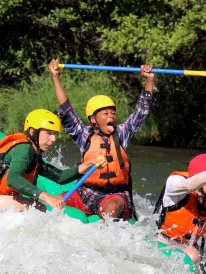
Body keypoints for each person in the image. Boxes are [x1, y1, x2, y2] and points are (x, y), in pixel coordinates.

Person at [48, 58, 154, 220]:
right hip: (85, 192)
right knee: (53, 202)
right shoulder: (83, 135)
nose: (111, 116)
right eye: (105, 114)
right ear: (93, 119)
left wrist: (149, 80)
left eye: (113, 113)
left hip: (115, 195)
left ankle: (107, 236)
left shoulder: (122, 134)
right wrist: (55, 77)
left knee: (112, 208)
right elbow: (66, 109)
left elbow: (141, 112)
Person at [0, 109, 105, 212]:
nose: (53, 139)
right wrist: (47, 197)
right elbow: (13, 179)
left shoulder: (34, 154)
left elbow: (61, 177)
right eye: (48, 133)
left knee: (35, 206)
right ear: (32, 131)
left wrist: (90, 164)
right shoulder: (24, 149)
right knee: (38, 207)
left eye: (54, 134)